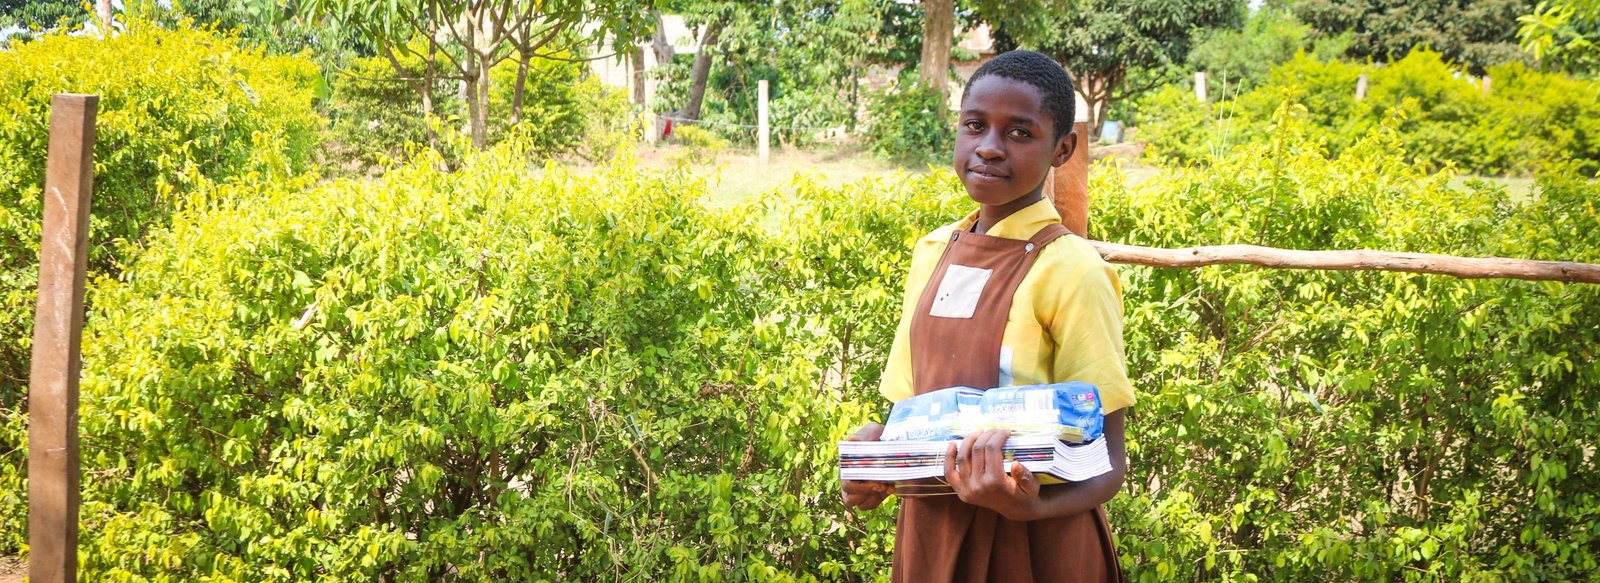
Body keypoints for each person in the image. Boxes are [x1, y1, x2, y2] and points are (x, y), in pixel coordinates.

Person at [840, 50, 1136, 582]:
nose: (990, 148)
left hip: (1036, 548)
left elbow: (1108, 460)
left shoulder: (1073, 271)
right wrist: (879, 457)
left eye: (1020, 133)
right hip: (933, 539)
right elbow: (920, 413)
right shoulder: (932, 252)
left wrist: (1030, 508)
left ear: (1062, 149)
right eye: (975, 125)